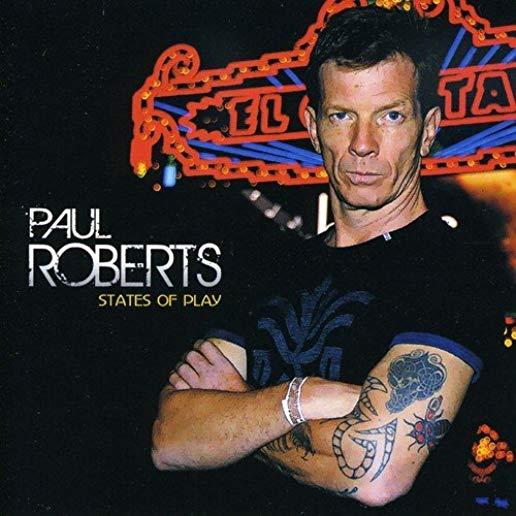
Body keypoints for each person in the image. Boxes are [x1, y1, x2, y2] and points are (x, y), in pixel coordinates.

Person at [151, 5, 506, 511]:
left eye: (390, 116)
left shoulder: (455, 270)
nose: (363, 145)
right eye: (342, 116)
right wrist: (308, 397)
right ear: (313, 126)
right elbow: (170, 438)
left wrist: (239, 408)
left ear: (427, 130)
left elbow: (375, 473)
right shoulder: (272, 267)